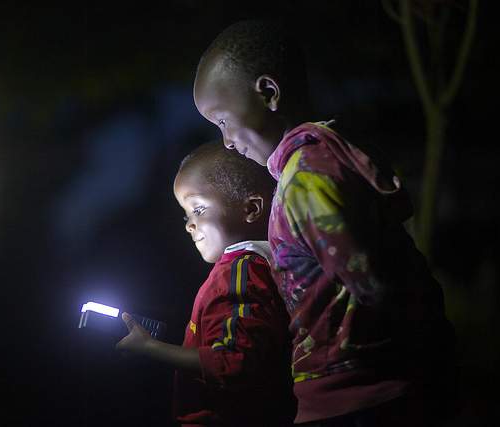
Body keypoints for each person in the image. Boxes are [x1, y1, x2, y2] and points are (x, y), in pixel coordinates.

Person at [193, 20, 456, 426]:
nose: (226, 141)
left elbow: (371, 284)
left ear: (268, 93)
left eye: (223, 121)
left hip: (358, 397)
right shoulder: (318, 162)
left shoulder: (307, 178)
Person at [116, 141, 295, 426]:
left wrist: (150, 348)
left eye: (198, 209)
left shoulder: (241, 272)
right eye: (186, 215)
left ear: (251, 208)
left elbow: (235, 362)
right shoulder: (258, 268)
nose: (189, 225)